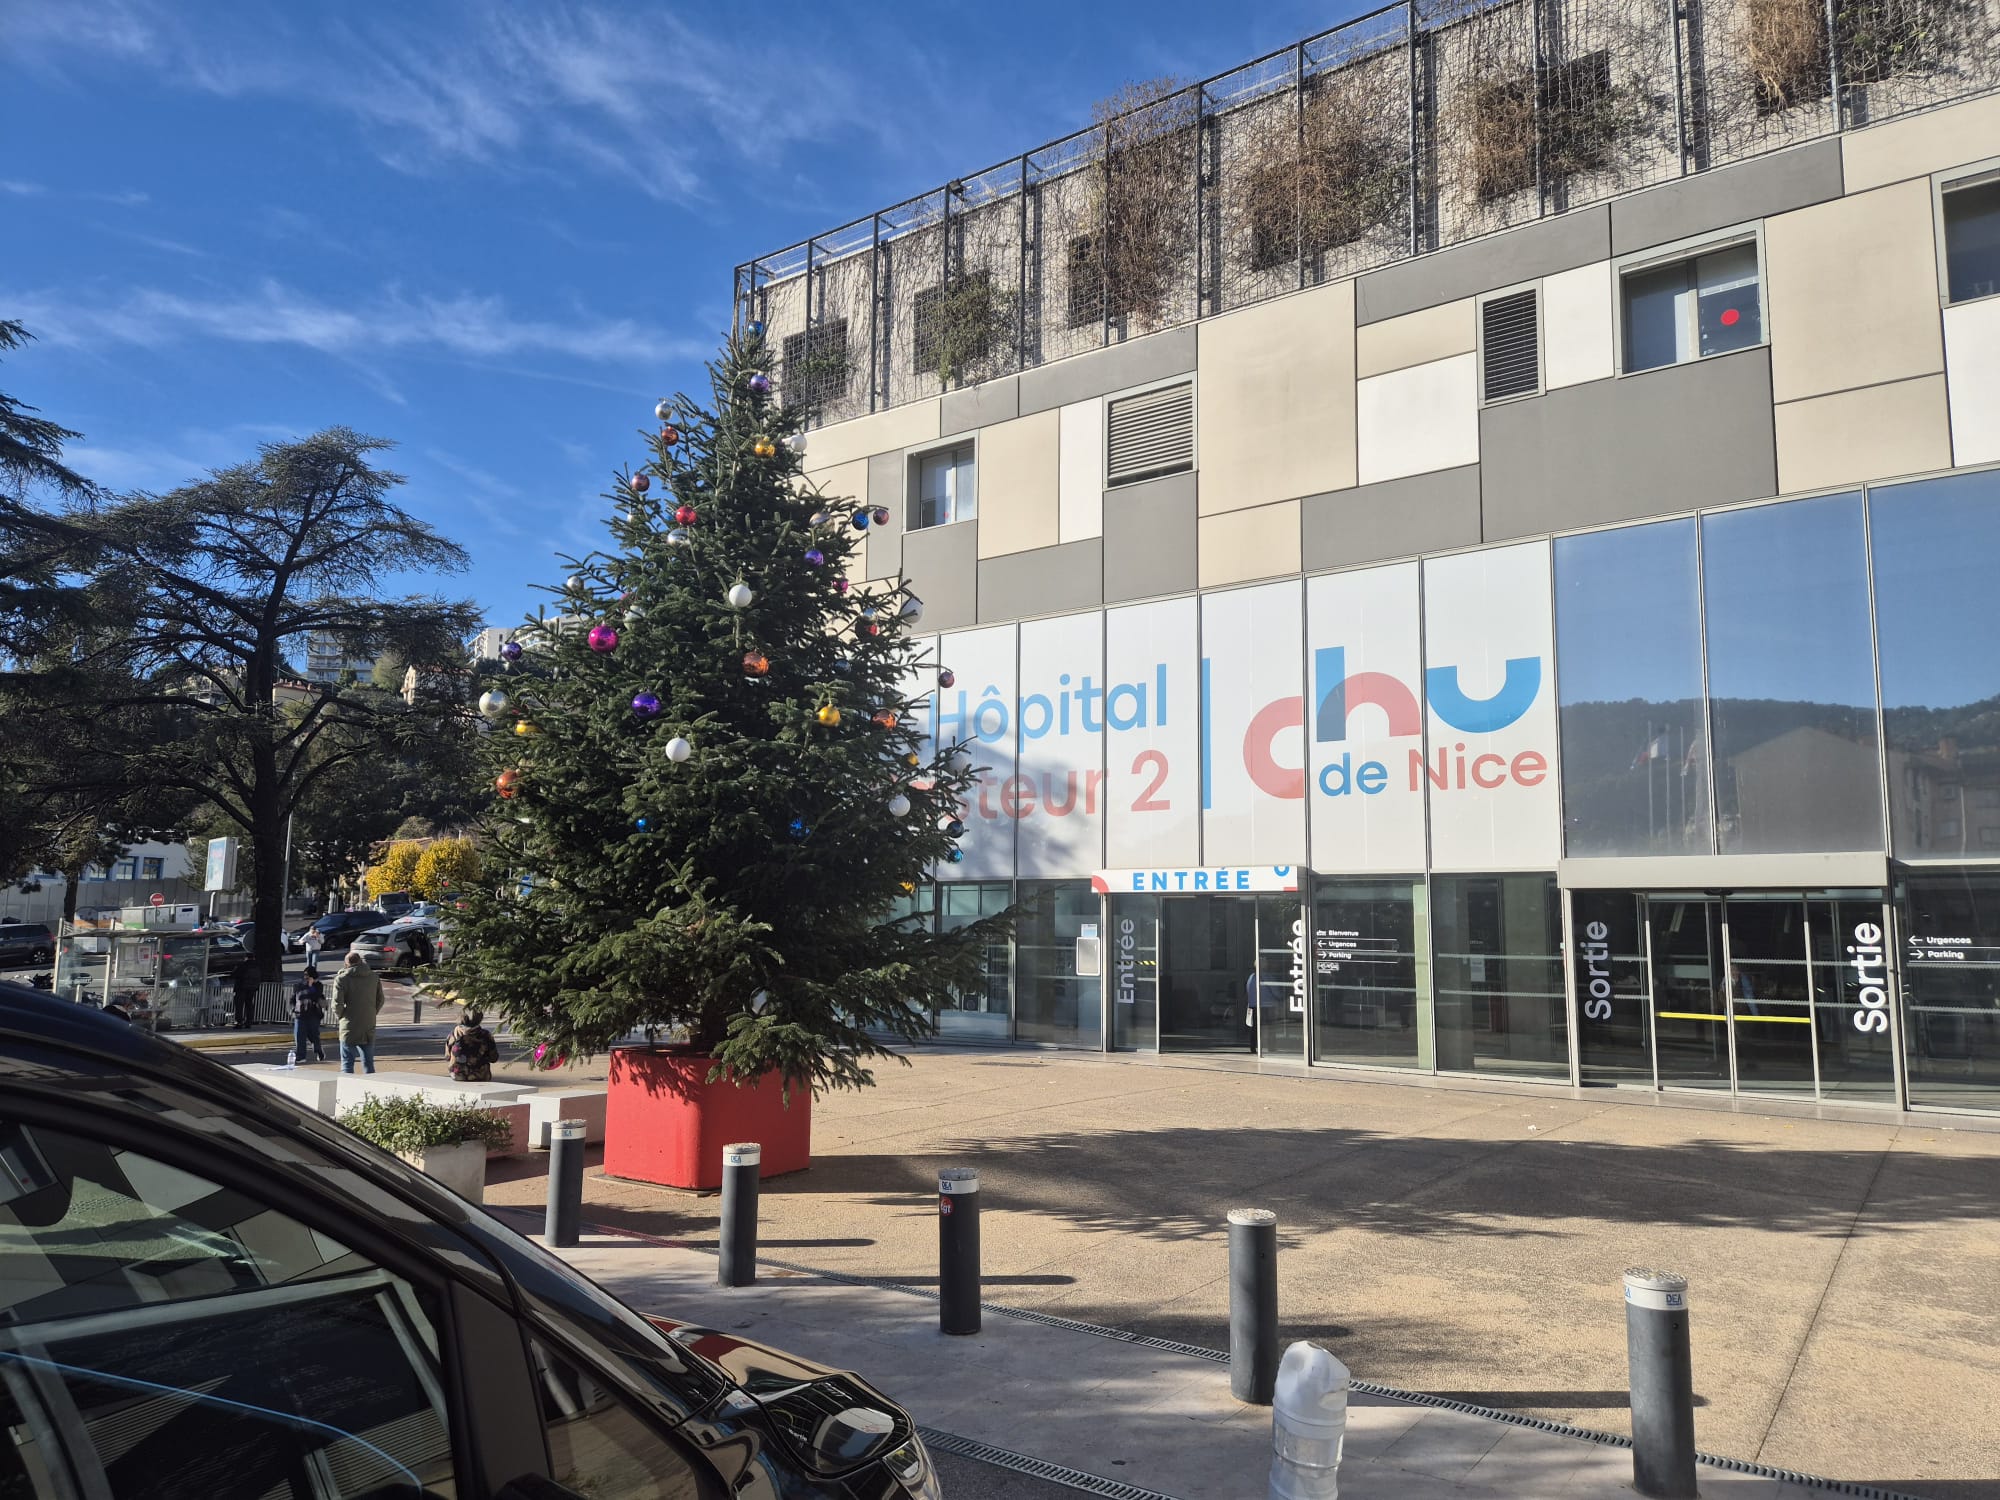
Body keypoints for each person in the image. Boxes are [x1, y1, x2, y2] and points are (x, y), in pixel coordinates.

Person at [332, 951, 385, 1074]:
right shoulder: (373, 977)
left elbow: (337, 1004)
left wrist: (341, 1016)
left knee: (347, 1063)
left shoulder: (342, 979)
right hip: (368, 1024)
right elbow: (380, 1000)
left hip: (349, 1024)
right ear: (360, 961)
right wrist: (372, 1013)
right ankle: (369, 1091)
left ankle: (346, 1090)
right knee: (368, 1063)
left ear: (346, 963)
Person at [445, 1007, 498, 1082]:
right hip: (480, 1076)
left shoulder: (453, 1035)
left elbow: (447, 1057)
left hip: (458, 1075)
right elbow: (494, 1058)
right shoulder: (486, 1035)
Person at [291, 973, 327, 1063]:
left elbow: (316, 996)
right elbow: (293, 998)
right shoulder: (298, 986)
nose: (307, 979)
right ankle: (301, 1056)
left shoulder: (318, 986)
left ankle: (318, 1050)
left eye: (309, 977)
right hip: (300, 1015)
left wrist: (310, 987)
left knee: (314, 1036)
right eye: (306, 977)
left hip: (313, 1015)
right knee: (299, 1036)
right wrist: (293, 1009)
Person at [233, 961, 262, 1029]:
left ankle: (239, 1022)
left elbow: (235, 975)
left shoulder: (242, 965)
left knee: (239, 1006)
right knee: (249, 1005)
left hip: (241, 988)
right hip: (251, 988)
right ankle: (248, 1022)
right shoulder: (256, 966)